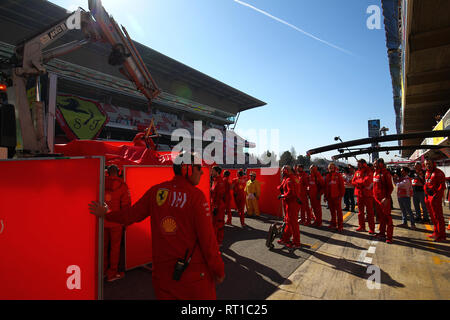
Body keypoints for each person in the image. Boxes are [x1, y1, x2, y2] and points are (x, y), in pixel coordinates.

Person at [88, 152, 225, 299]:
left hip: (162, 277)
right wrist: (219, 270)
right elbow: (208, 242)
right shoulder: (196, 196)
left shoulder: (156, 192)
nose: (202, 172)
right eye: (199, 168)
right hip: (192, 278)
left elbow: (129, 216)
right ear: (187, 169)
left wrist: (106, 213)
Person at [103, 165, 131, 282]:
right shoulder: (123, 186)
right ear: (118, 172)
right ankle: (112, 273)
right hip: (116, 223)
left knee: (103, 248)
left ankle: (103, 271)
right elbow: (126, 206)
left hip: (103, 222)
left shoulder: (100, 183)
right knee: (115, 248)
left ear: (108, 172)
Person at [277, 165, 302, 249]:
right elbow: (283, 186)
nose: (282, 173)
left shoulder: (290, 179)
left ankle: (296, 242)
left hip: (292, 203)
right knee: (288, 221)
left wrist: (282, 195)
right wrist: (279, 188)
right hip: (290, 203)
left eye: (283, 172)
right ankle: (286, 238)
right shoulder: (290, 178)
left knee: (293, 223)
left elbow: (291, 193)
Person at [424, 159, 447, 242]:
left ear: (433, 163)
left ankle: (442, 235)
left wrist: (436, 197)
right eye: (426, 164)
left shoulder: (439, 173)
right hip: (428, 198)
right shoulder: (427, 173)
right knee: (433, 217)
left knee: (438, 217)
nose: (428, 165)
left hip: (435, 198)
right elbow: (426, 184)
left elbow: (441, 188)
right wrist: (426, 196)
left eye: (429, 163)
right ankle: (436, 232)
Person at [373, 158, 394, 243]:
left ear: (380, 164)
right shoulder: (375, 173)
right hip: (377, 199)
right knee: (380, 217)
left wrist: (386, 198)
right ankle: (382, 233)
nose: (374, 165)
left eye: (375, 163)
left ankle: (389, 236)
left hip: (384, 199)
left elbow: (390, 187)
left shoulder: (386, 173)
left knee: (387, 218)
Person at [352, 159, 375, 233]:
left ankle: (372, 229)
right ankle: (362, 226)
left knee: (370, 213)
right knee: (360, 212)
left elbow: (367, 182)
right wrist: (360, 182)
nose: (357, 165)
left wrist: (358, 182)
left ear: (364, 164)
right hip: (359, 194)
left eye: (359, 164)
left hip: (367, 195)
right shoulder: (357, 172)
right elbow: (353, 181)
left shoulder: (369, 172)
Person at [324, 163, 345, 231]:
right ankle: (333, 224)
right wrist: (325, 196)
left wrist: (341, 196)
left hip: (337, 196)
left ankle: (340, 226)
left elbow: (342, 187)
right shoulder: (327, 176)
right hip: (330, 197)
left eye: (332, 167)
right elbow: (326, 187)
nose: (331, 168)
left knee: (338, 212)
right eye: (330, 167)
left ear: (334, 168)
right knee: (332, 211)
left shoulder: (338, 175)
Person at [211, 166, 226, 246]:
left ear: (217, 172)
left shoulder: (219, 181)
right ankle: (216, 242)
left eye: (212, 171)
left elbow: (219, 195)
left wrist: (216, 207)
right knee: (215, 224)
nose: (211, 172)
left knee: (218, 224)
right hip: (215, 206)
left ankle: (218, 242)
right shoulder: (215, 180)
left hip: (219, 207)